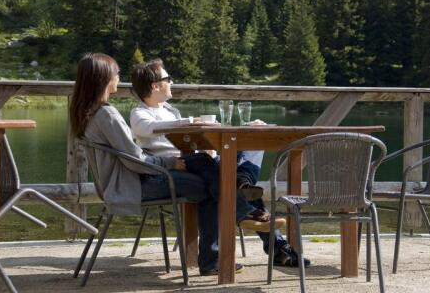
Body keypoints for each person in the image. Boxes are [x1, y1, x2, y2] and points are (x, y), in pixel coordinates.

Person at [69, 53, 238, 276]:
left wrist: (171, 162)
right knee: (211, 187)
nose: (119, 79)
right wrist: (169, 163)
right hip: (134, 184)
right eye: (116, 74)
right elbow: (136, 160)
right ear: (104, 78)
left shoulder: (87, 113)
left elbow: (132, 156)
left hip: (123, 182)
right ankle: (215, 252)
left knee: (205, 163)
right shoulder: (107, 115)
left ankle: (237, 209)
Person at [129, 58, 310, 267]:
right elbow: (146, 128)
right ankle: (272, 241)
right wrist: (191, 123)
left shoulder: (170, 110)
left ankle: (242, 182)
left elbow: (187, 137)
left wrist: (216, 142)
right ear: (155, 85)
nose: (172, 82)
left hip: (200, 160)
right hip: (181, 164)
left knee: (252, 144)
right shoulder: (139, 113)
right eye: (168, 79)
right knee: (226, 180)